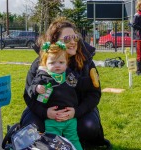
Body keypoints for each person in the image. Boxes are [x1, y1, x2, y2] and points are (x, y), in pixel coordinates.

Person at [20, 17, 111, 149]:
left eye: (75, 37)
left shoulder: (86, 62)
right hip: (46, 112)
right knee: (32, 125)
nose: (73, 42)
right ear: (55, 42)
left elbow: (94, 94)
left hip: (77, 112)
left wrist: (76, 112)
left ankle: (78, 144)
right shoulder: (40, 64)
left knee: (88, 125)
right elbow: (28, 95)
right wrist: (46, 113)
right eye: (67, 39)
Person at [28, 41, 88, 150]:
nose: (57, 66)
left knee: (74, 139)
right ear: (45, 63)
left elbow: (80, 84)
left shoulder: (70, 75)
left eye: (61, 62)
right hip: (52, 119)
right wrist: (37, 88)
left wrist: (89, 81)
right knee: (53, 142)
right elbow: (30, 89)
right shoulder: (42, 76)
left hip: (69, 118)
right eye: (52, 63)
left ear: (66, 62)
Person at [132, 0, 141, 75]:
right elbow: (134, 25)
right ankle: (138, 71)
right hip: (139, 37)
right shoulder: (137, 15)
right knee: (139, 54)